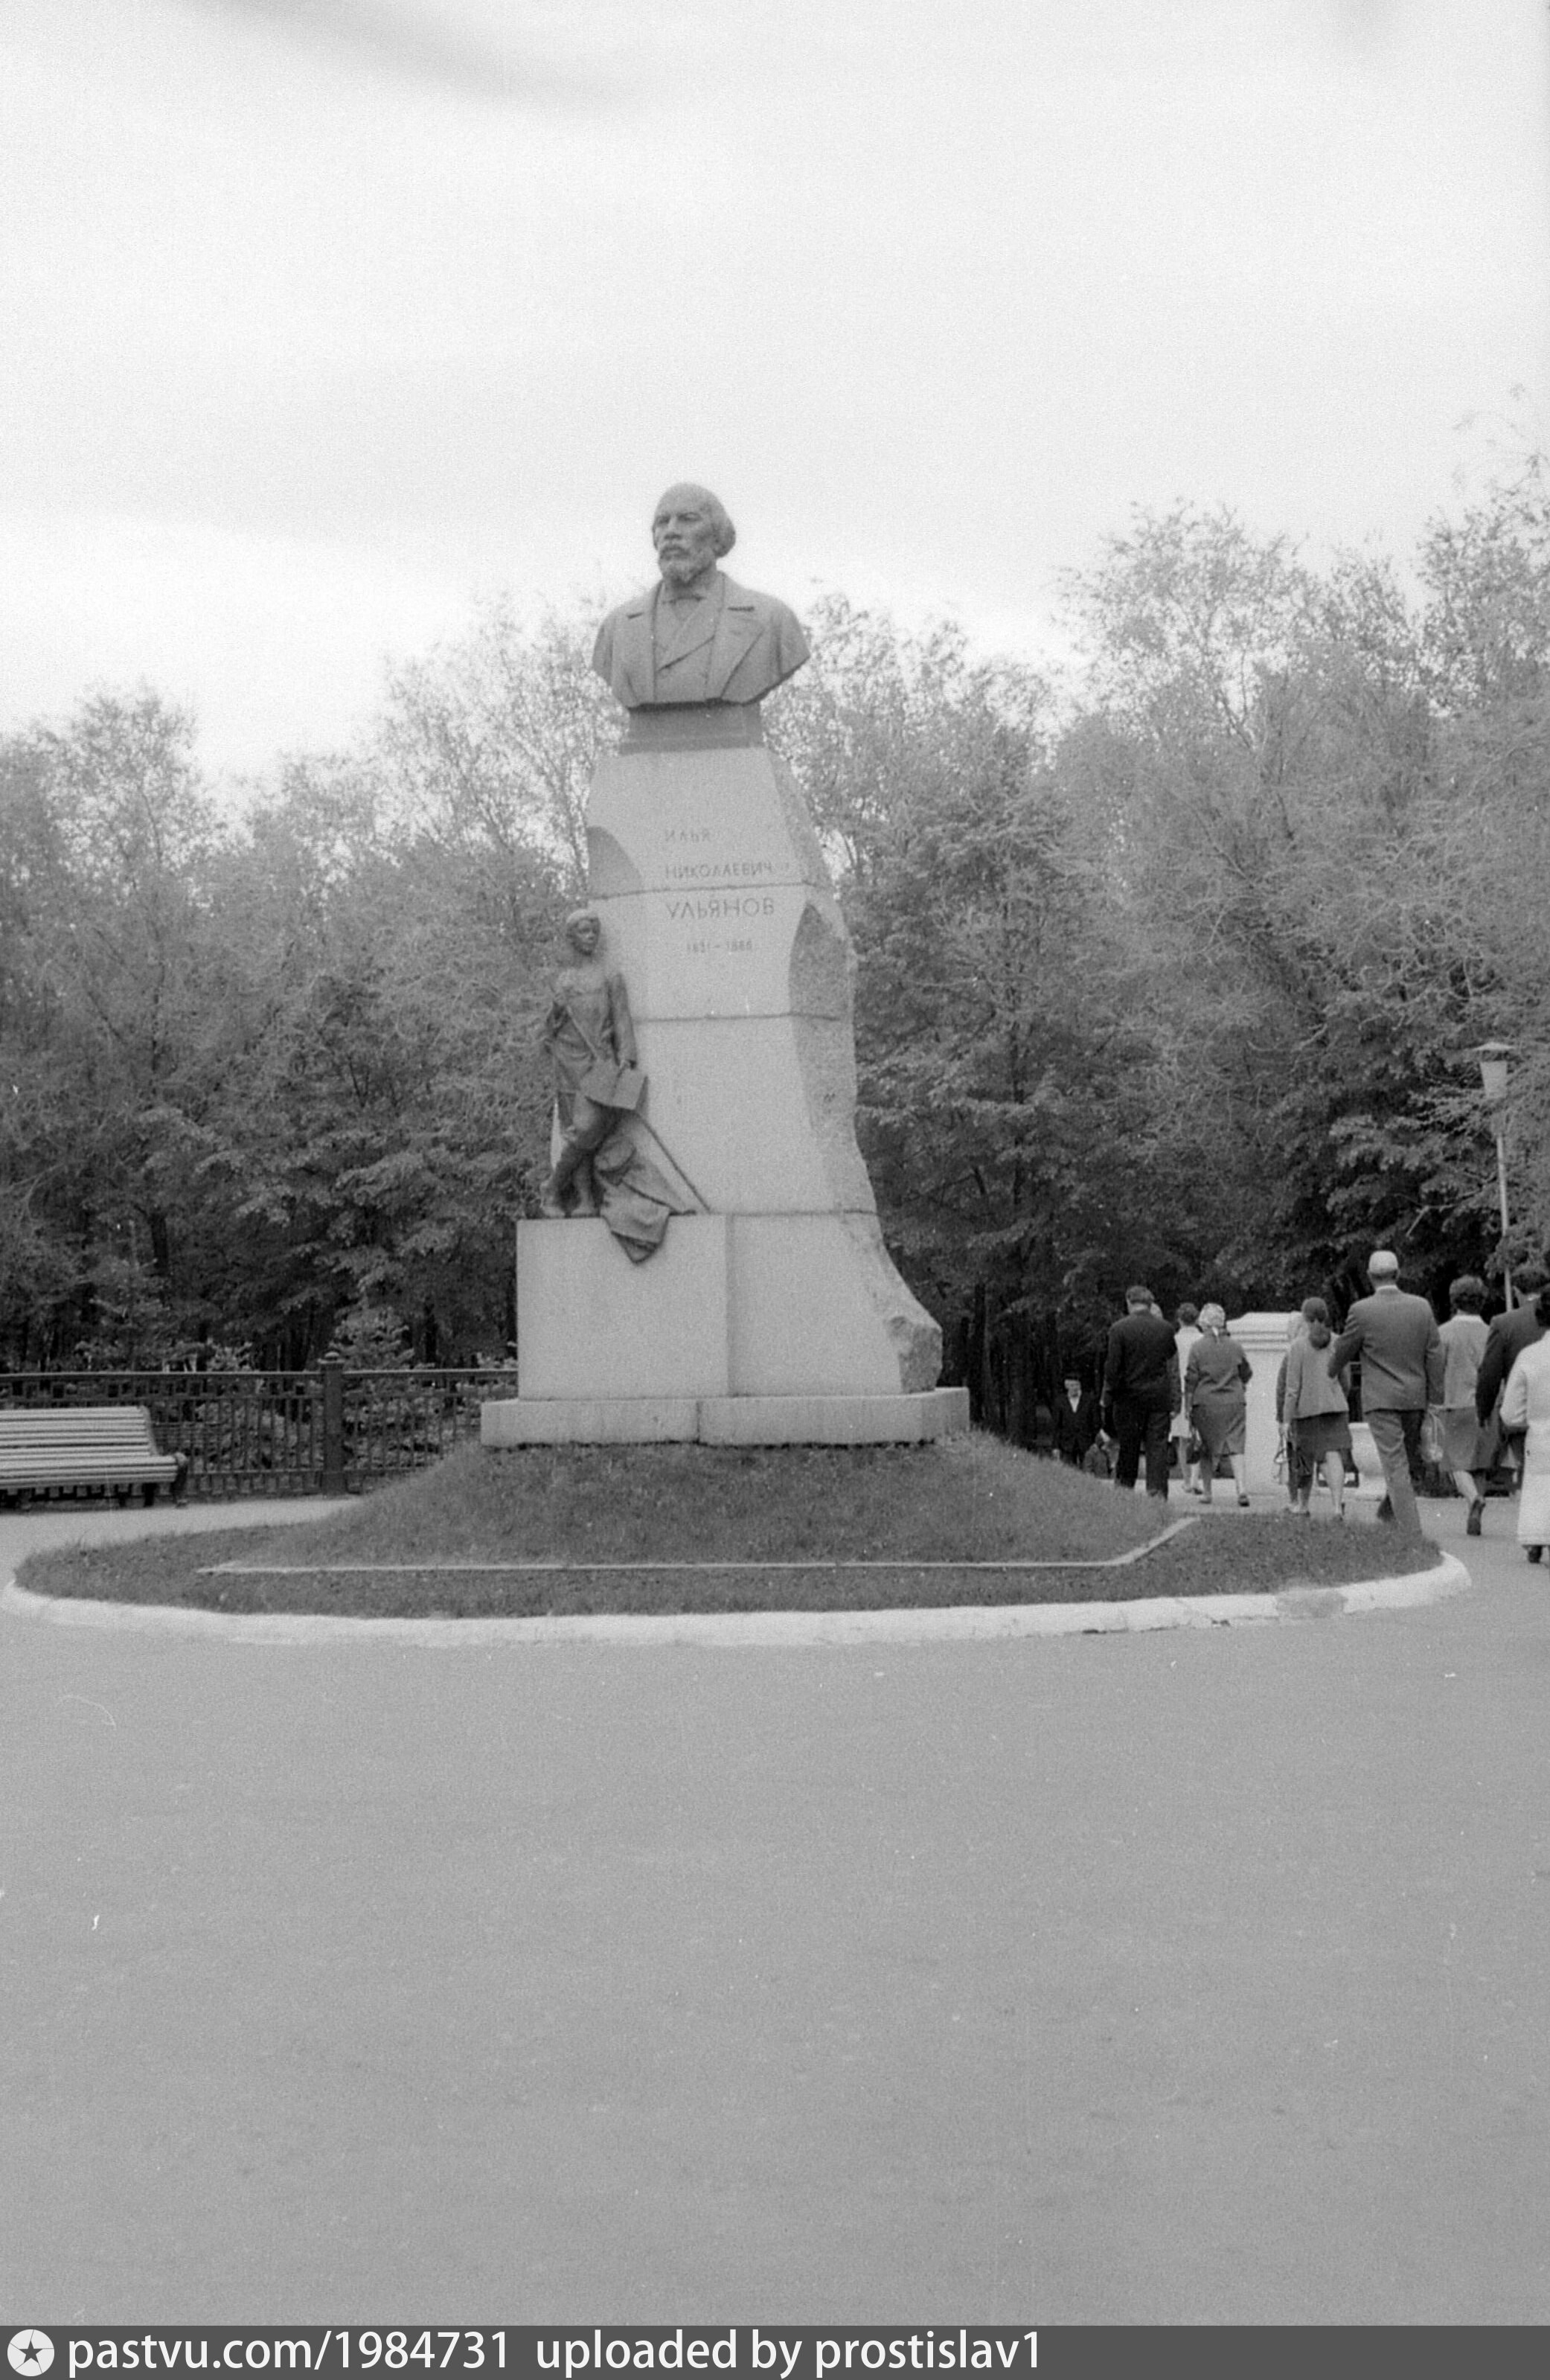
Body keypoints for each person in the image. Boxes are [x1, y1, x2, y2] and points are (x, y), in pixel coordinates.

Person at [539, 909, 684, 1262]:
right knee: (581, 1129)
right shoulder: (564, 981)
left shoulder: (609, 976)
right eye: (583, 931)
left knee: (591, 1128)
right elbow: (546, 1034)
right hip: (571, 1062)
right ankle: (575, 1197)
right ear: (572, 938)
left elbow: (622, 1020)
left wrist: (626, 1059)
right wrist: (556, 1011)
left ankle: (559, 1189)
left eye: (593, 930)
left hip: (602, 1063)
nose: (590, 936)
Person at [592, 484, 810, 710]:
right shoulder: (616, 628)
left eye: (688, 519)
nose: (671, 531)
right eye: (662, 522)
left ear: (718, 536)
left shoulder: (773, 620)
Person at [1328, 1249, 1444, 1538]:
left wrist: (1331, 1369)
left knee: (1395, 1465)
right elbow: (1435, 1354)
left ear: (1370, 1277)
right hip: (1415, 1398)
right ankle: (1388, 1513)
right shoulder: (1421, 1308)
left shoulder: (1361, 1311)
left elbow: (1343, 1351)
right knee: (1407, 1462)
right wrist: (1435, 1398)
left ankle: (1412, 1534)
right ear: (1398, 1274)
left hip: (1381, 1400)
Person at [1100, 1286, 1180, 1499]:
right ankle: (1157, 1493)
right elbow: (1169, 1362)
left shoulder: (1119, 1329)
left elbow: (1112, 1368)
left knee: (1129, 1446)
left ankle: (1125, 1491)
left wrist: (1109, 1396)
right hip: (1158, 1398)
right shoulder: (1165, 1329)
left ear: (1129, 1302)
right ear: (1150, 1303)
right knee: (1157, 1447)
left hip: (1128, 1398)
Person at [1473, 1260, 1548, 1485]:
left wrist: (1483, 1412)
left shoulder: (1504, 1324)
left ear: (1516, 1291)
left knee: (1531, 1471)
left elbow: (1490, 1374)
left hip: (1525, 1412)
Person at [1279, 1296, 1351, 1520]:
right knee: (1333, 1456)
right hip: (1336, 1409)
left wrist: (1286, 1419)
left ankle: (1303, 1505)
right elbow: (1346, 1380)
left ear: (1305, 1318)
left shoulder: (1298, 1347)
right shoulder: (1338, 1343)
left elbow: (1292, 1389)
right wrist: (1338, 1398)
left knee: (1305, 1460)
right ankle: (1337, 1507)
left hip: (1306, 1411)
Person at [1435, 1275, 1492, 1535]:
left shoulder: (1444, 1333)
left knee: (1456, 1462)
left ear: (1454, 1300)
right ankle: (1475, 1513)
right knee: (1479, 1462)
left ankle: (1474, 1500)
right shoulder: (1491, 1333)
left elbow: (1436, 1371)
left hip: (1456, 1404)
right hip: (1487, 1405)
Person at [1497, 1286, 1550, 1565]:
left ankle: (1537, 1538)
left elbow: (1510, 1413)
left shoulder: (1530, 1356)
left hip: (1541, 1435)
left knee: (1540, 1484)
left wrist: (1523, 1421)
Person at [1185, 1304, 1253, 1507]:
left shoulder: (1197, 1348)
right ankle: (1241, 1489)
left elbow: (1191, 1379)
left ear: (1203, 1324)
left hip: (1205, 1403)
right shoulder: (1236, 1346)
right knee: (1236, 1446)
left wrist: (1188, 1405)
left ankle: (1207, 1492)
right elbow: (1246, 1372)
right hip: (1234, 1401)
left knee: (1206, 1448)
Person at [1170, 1302, 1203, 1492]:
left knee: (1183, 1440)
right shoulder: (1202, 1339)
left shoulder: (1174, 1340)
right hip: (1199, 1391)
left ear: (1179, 1320)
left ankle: (1186, 1479)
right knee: (1198, 1437)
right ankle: (1195, 1478)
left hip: (1180, 1392)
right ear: (1197, 1319)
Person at [1052, 1374, 1101, 1467]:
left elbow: (1096, 1422)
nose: (1075, 1388)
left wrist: (1096, 1442)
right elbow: (1057, 1426)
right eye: (1072, 1385)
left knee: (1087, 1470)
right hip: (1066, 1444)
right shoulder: (1060, 1402)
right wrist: (1055, 1446)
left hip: (1086, 1443)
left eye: (1077, 1385)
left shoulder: (1089, 1400)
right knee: (1068, 1471)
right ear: (1067, 1386)